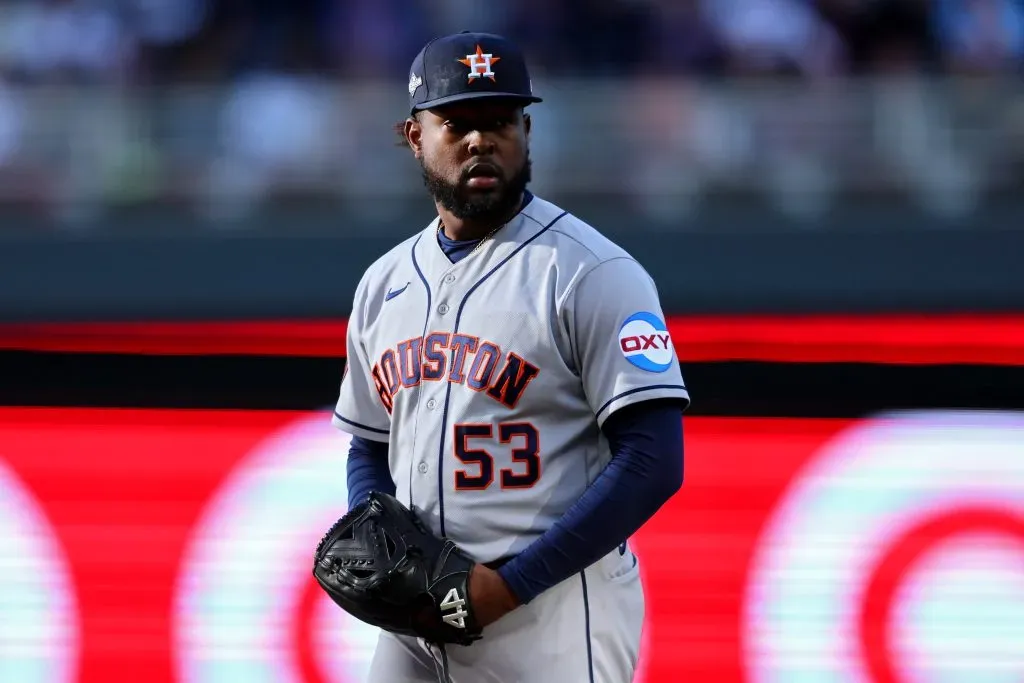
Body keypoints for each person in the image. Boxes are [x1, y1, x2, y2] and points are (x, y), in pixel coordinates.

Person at [331, 30, 689, 683]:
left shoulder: (591, 271)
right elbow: (369, 444)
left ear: (527, 130)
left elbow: (654, 458)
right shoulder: (384, 284)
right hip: (418, 620)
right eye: (457, 123)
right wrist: (380, 543)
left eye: (499, 120)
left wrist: (511, 582)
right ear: (414, 136)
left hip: (550, 613)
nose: (479, 140)